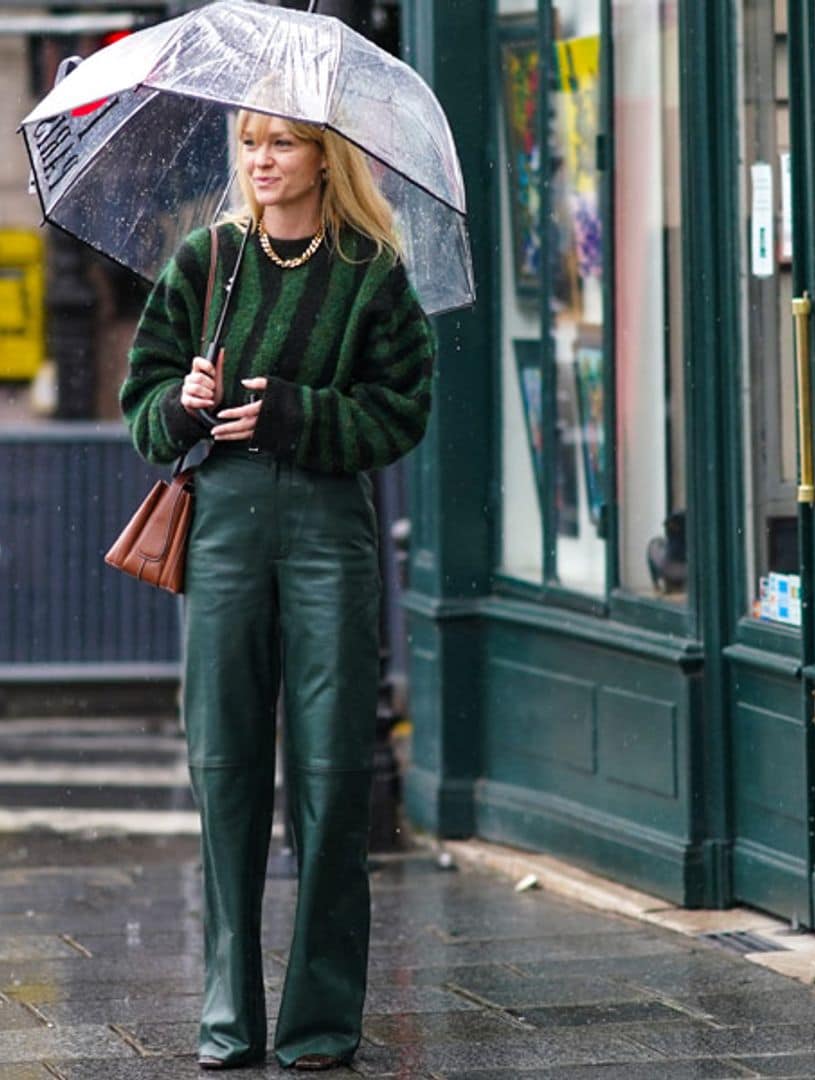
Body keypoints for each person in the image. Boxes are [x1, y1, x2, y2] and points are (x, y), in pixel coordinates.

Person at [120, 111, 435, 1071]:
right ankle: (229, 1014)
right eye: (250, 143)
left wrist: (301, 413)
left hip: (329, 531)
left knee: (334, 773)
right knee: (224, 765)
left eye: (284, 143)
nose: (262, 160)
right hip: (222, 525)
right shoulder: (206, 261)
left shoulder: (371, 271)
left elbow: (404, 408)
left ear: (324, 157)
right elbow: (143, 403)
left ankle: (320, 1021)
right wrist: (185, 403)